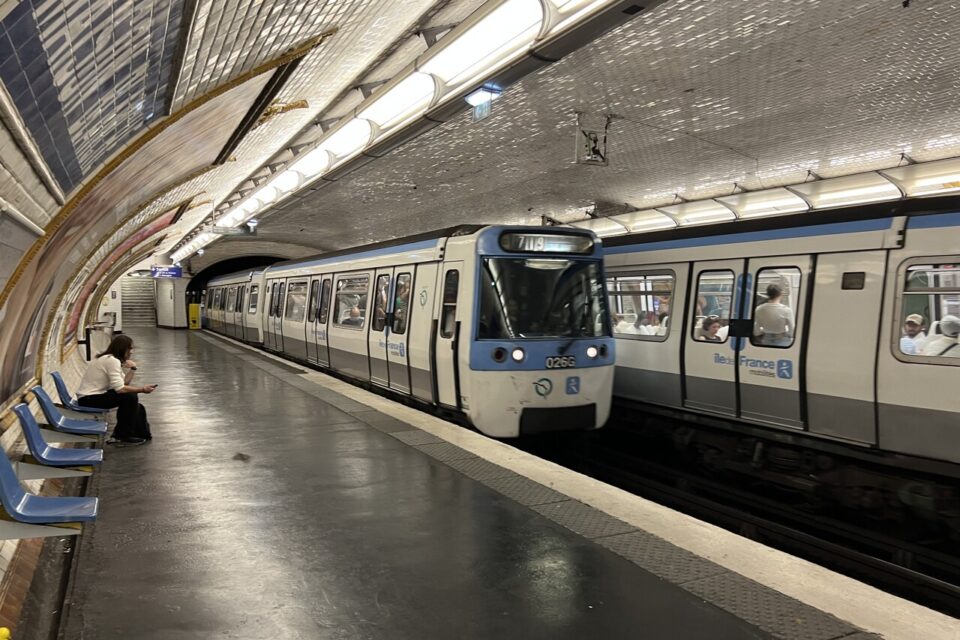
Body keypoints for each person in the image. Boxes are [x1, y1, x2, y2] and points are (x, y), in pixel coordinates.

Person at [75, 334, 156, 445]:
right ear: (122, 348)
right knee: (129, 396)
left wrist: (133, 369)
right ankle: (122, 436)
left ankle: (125, 434)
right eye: (130, 348)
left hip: (92, 397)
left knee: (131, 398)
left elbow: (123, 383)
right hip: (88, 399)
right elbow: (120, 389)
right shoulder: (111, 361)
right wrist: (142, 389)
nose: (131, 352)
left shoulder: (110, 359)